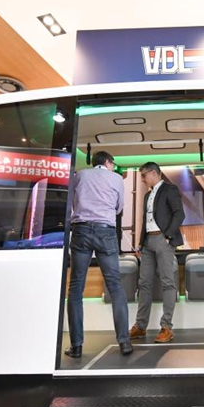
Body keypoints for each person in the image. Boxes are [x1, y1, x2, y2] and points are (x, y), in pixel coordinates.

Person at [65, 151, 132, 358]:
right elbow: (119, 207)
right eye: (113, 164)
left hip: (81, 230)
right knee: (115, 286)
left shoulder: (80, 175)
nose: (114, 168)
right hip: (105, 231)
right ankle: (124, 342)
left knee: (76, 287)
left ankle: (76, 346)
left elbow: (71, 201)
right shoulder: (116, 178)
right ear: (108, 162)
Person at [129, 162, 185, 343]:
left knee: (168, 282)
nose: (143, 179)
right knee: (144, 283)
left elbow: (179, 214)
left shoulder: (170, 189)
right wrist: (140, 244)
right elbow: (146, 222)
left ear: (153, 173)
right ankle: (140, 326)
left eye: (144, 175)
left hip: (163, 239)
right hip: (147, 243)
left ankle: (166, 327)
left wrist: (168, 236)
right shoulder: (147, 196)